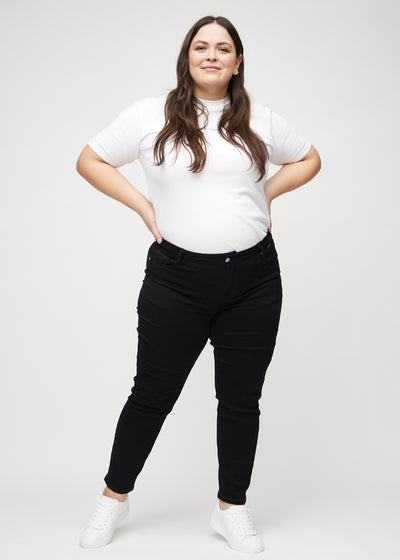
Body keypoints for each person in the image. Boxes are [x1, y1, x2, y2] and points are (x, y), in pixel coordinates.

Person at [75, 14, 321, 554]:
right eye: (202, 47)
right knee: (151, 394)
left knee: (241, 400)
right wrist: (144, 207)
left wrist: (266, 195)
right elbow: (89, 160)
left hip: (254, 279)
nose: (212, 55)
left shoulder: (259, 119)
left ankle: (232, 507)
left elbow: (309, 158)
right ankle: (114, 498)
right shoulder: (150, 115)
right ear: (187, 57)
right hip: (176, 281)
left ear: (237, 62)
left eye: (223, 48)